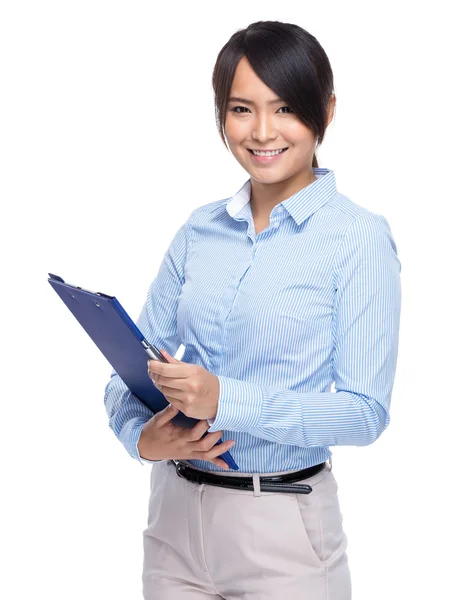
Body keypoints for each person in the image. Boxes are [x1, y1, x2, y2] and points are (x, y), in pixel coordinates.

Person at [104, 19, 401, 600]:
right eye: (242, 109)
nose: (262, 131)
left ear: (328, 111)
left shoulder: (357, 239)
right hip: (173, 525)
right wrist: (142, 439)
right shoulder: (199, 230)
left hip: (282, 530)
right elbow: (130, 366)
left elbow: (366, 413)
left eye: (285, 107)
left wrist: (226, 401)